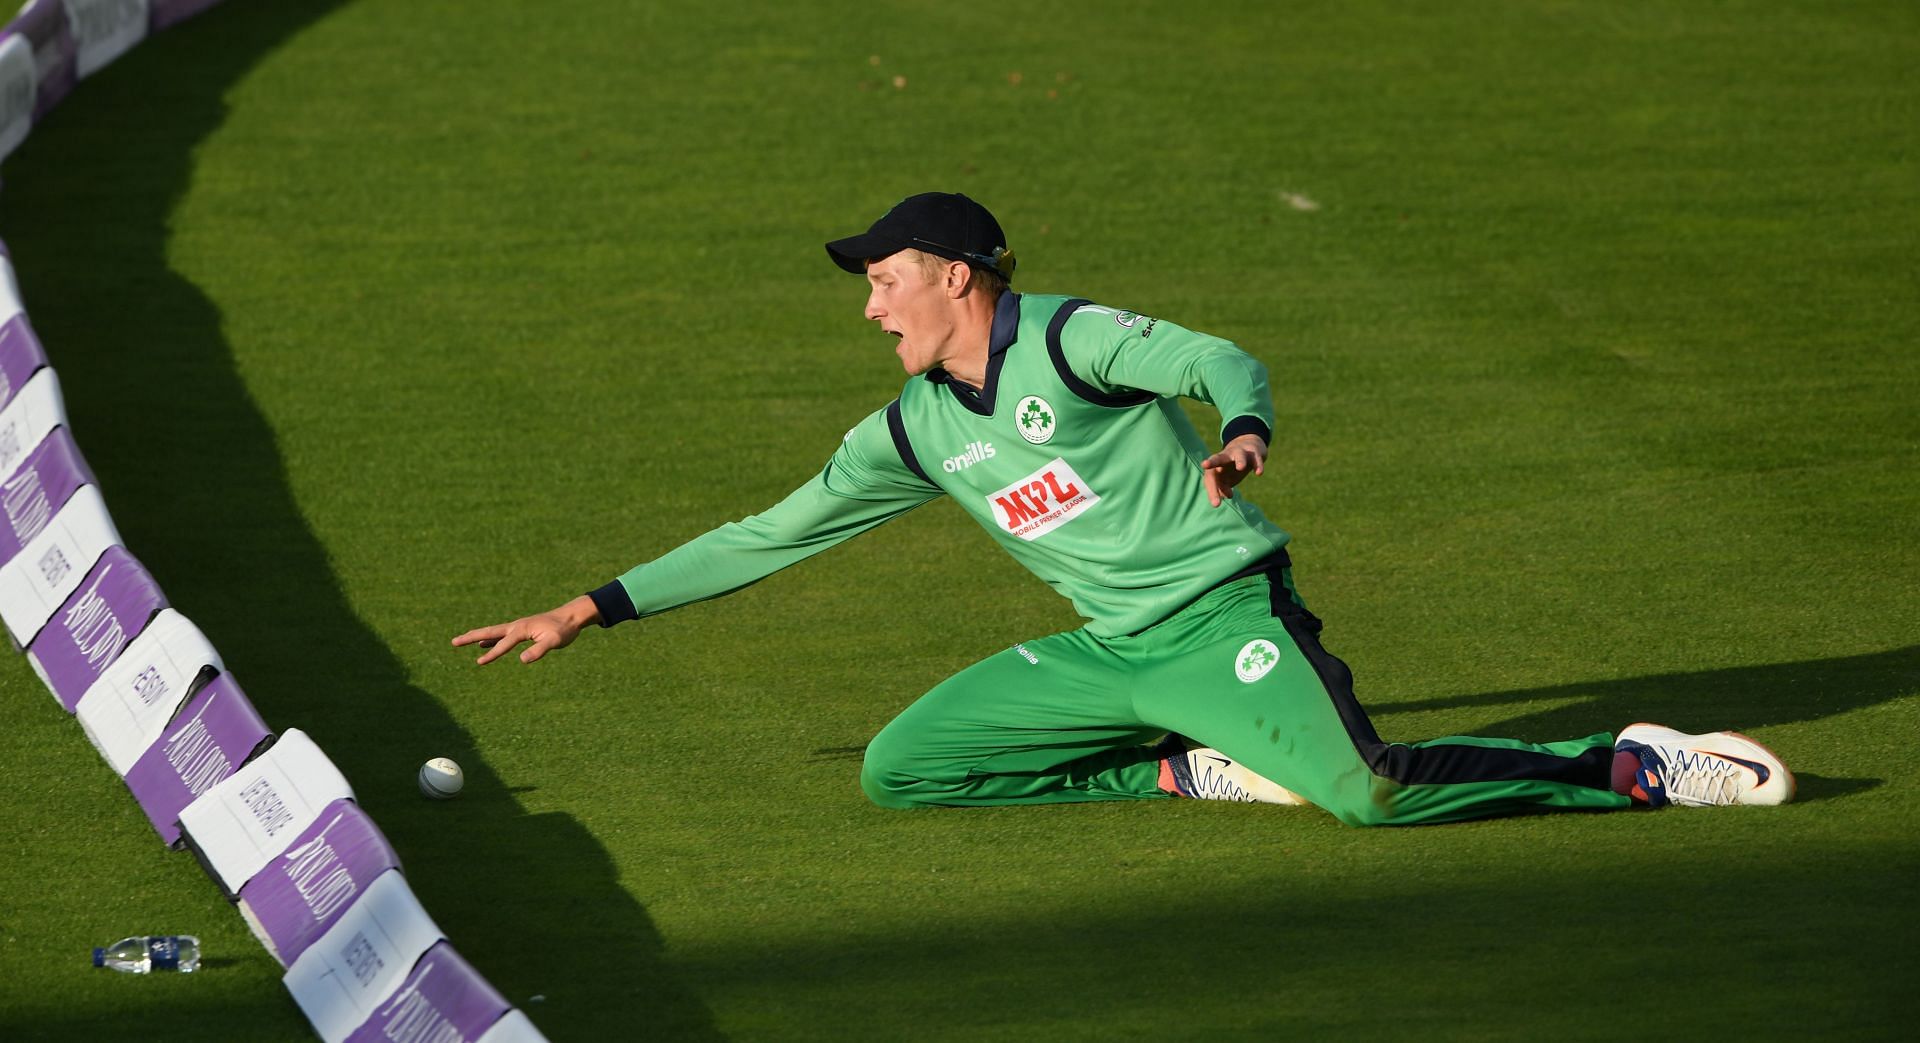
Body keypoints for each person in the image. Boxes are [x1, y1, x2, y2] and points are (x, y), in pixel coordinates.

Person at [454, 192, 1793, 825]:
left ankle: (1628, 767)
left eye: (883, 282)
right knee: (904, 770)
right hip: (1113, 658)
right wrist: (587, 608)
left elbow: (1217, 362)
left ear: (958, 281)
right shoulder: (916, 431)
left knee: (1373, 797)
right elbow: (773, 531)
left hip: (1220, 618)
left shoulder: (1071, 341)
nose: (869, 307)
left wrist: (1245, 432)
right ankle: (1179, 763)